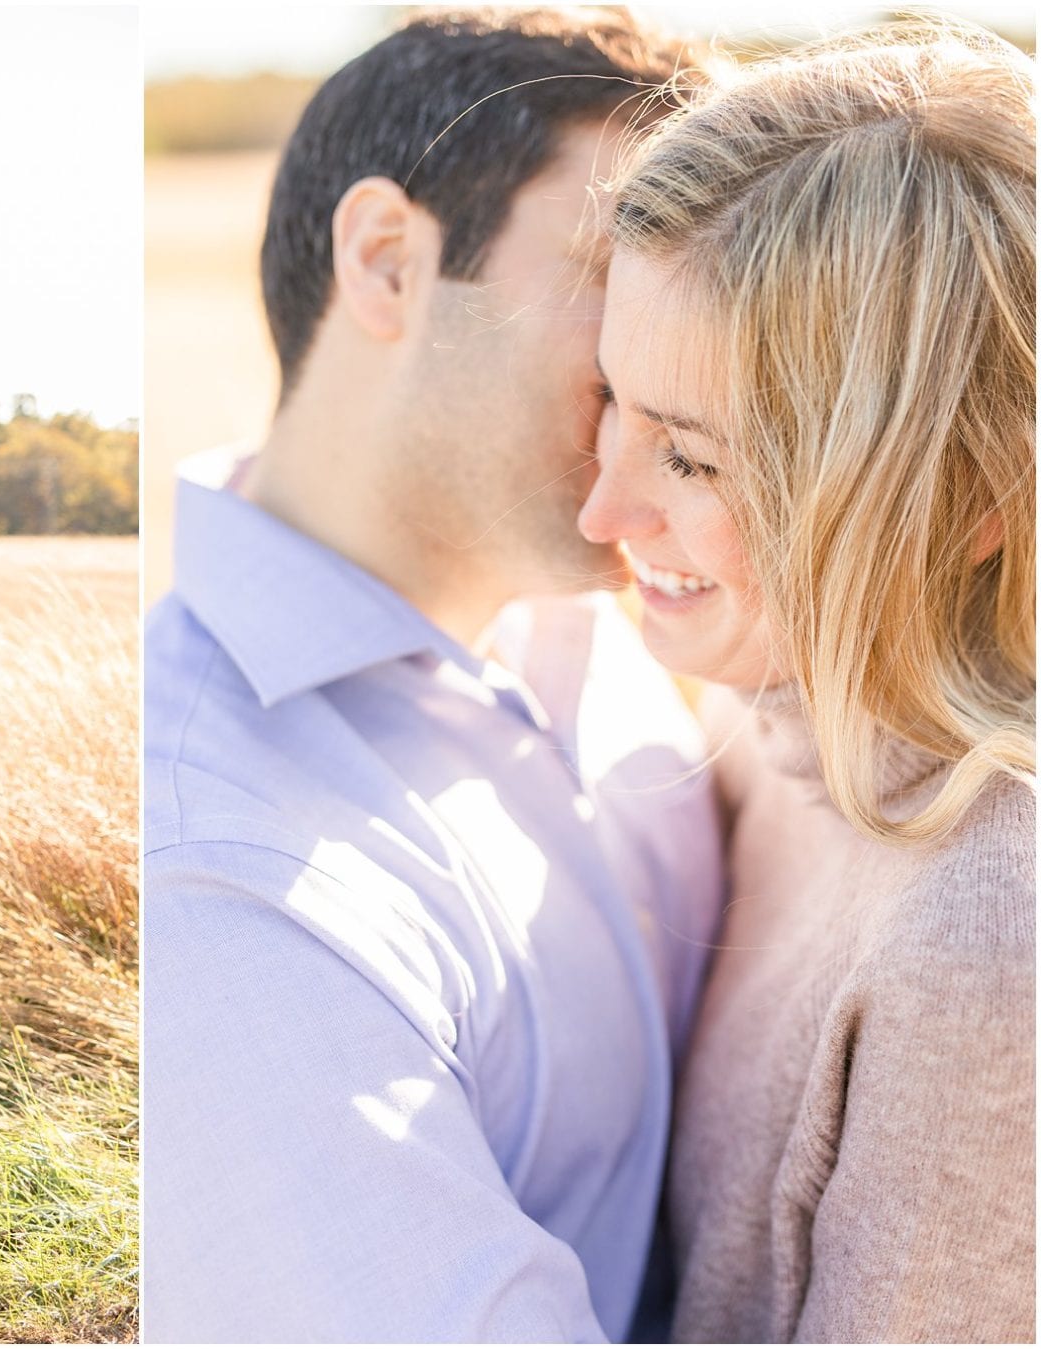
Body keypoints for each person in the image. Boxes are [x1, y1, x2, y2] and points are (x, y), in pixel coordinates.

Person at [143, 9, 723, 1341]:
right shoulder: (226, 878)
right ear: (391, 262)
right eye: (624, 262)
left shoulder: (617, 615)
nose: (690, 351)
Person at [577, 20, 1035, 1342]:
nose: (606, 508)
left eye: (696, 461)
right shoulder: (769, 706)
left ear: (968, 498)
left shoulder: (987, 955)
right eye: (615, 400)